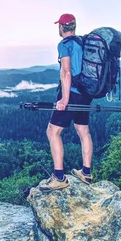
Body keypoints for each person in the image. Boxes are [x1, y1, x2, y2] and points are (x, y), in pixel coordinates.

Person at [39, 13, 94, 192]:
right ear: (74, 27)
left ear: (62, 27)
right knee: (83, 130)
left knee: (53, 132)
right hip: (86, 93)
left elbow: (66, 72)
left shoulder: (64, 44)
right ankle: (86, 173)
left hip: (72, 93)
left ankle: (59, 177)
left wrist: (64, 98)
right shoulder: (82, 43)